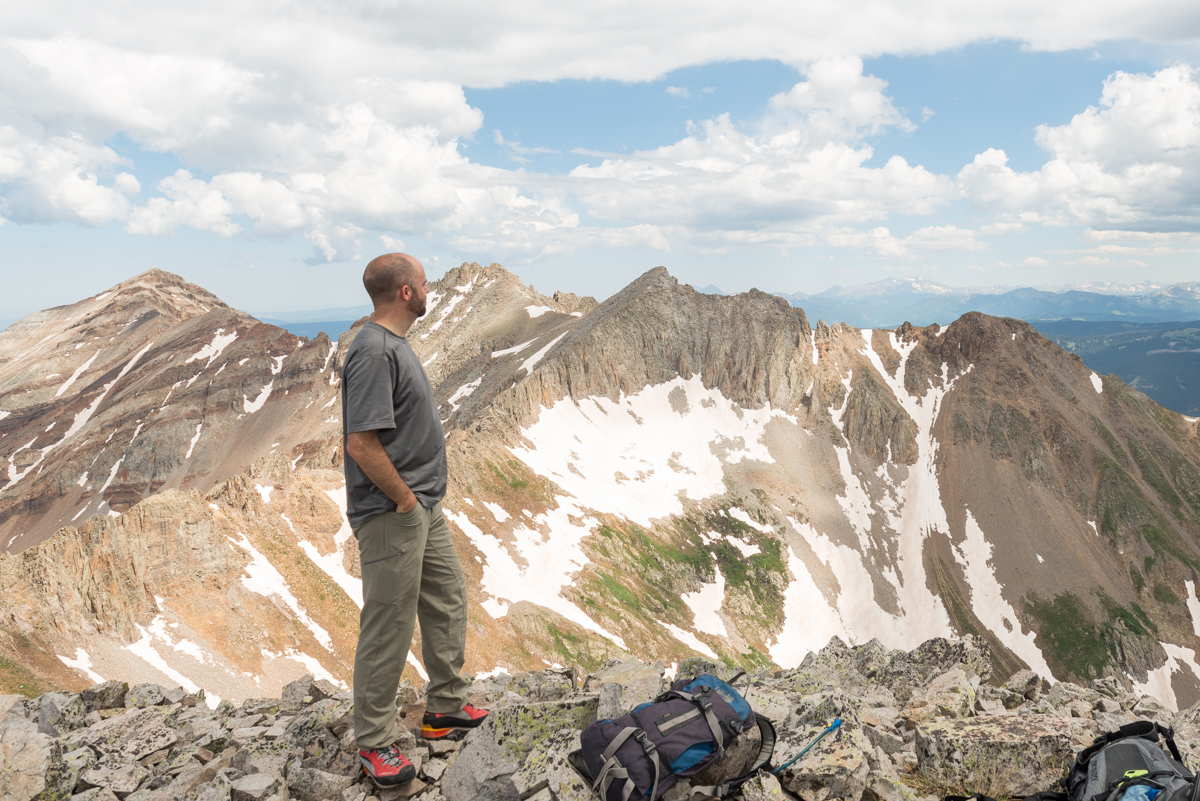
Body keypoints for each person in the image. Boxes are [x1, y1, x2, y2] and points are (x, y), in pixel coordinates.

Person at [341, 253, 488, 788]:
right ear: (406, 292)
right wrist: (403, 499)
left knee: (447, 597)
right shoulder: (374, 350)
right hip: (393, 511)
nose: (430, 290)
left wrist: (420, 501)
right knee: (390, 622)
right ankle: (375, 742)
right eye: (424, 283)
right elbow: (361, 443)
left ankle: (445, 707)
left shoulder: (392, 346)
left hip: (424, 506)